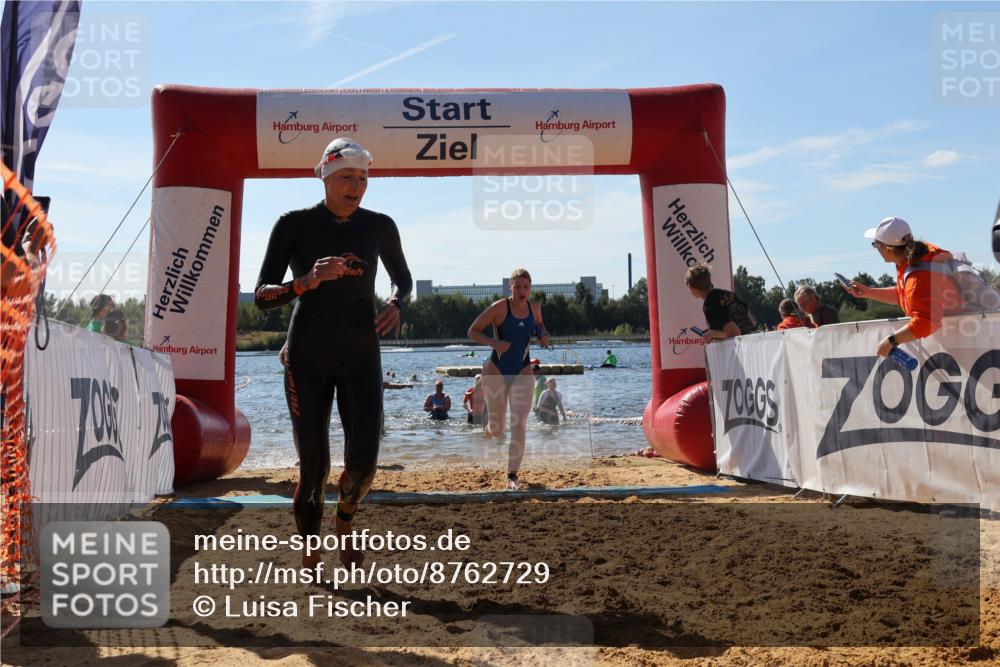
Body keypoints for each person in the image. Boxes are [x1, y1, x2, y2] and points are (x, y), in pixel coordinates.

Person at [256, 137, 412, 568]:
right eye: (347, 177)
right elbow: (262, 296)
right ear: (325, 176)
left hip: (362, 352)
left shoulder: (379, 226)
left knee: (364, 462)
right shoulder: (294, 224)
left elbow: (404, 279)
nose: (356, 186)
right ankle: (310, 548)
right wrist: (304, 282)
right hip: (308, 353)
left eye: (363, 178)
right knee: (314, 467)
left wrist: (396, 304)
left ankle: (344, 520)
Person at [468, 268, 550, 490]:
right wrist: (495, 344)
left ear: (530, 288)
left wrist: (543, 335)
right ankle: (489, 429)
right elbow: (473, 331)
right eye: (518, 287)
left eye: (526, 287)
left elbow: (539, 324)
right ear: (510, 287)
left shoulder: (535, 308)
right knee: (498, 428)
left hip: (523, 370)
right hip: (496, 370)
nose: (522, 291)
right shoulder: (499, 308)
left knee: (519, 424)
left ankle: (512, 476)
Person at [843, 216, 962, 359]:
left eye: (876, 244)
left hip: (967, 338)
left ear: (888, 249)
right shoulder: (914, 258)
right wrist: (868, 292)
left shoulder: (917, 275)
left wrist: (891, 341)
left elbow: (927, 322)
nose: (876, 248)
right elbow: (905, 295)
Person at [684, 265, 757, 341]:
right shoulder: (728, 294)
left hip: (742, 348)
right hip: (754, 340)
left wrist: (711, 334)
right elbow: (751, 321)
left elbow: (734, 333)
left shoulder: (710, 305)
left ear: (691, 288)